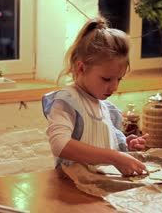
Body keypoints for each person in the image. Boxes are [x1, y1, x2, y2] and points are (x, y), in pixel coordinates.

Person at [42, 17, 149, 176]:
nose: (114, 87)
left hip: (101, 185)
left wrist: (126, 146)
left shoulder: (107, 109)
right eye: (106, 79)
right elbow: (60, 145)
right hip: (72, 188)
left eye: (119, 79)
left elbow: (108, 149)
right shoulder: (67, 101)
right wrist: (114, 157)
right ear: (81, 67)